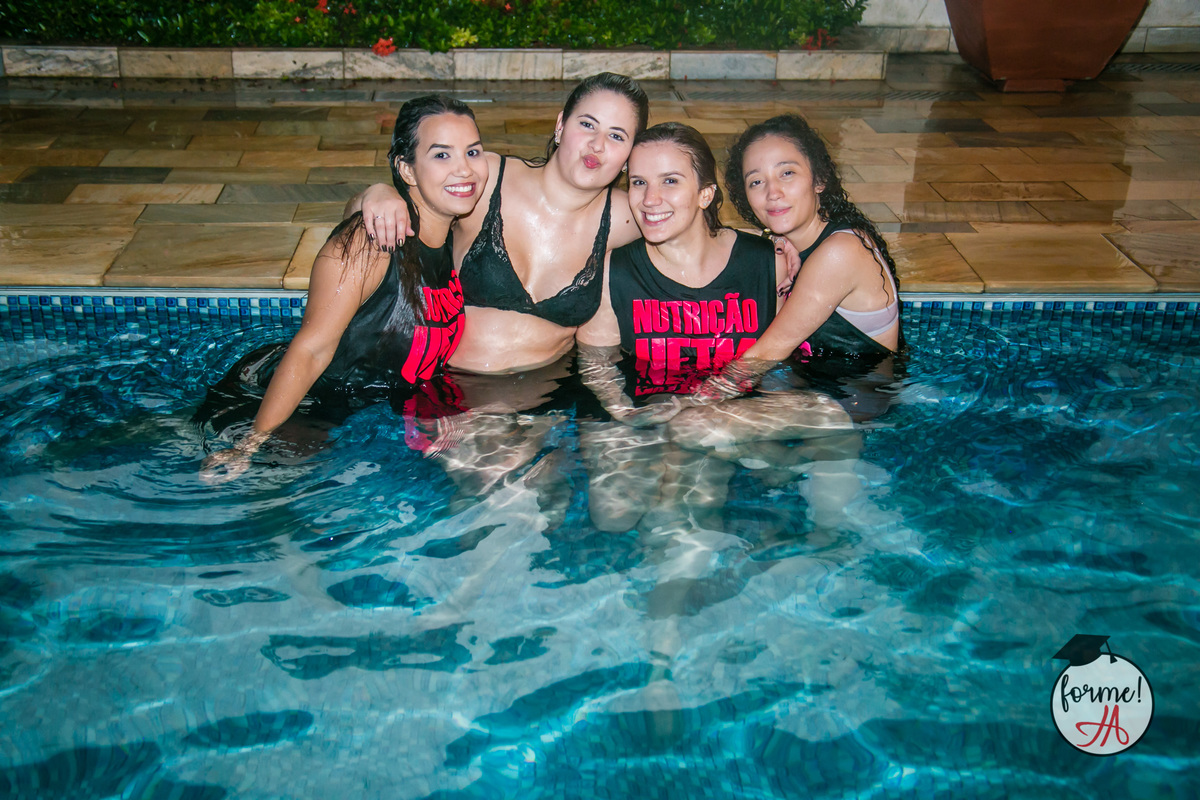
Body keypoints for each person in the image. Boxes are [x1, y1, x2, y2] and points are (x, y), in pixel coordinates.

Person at [199, 95, 487, 483]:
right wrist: (248, 446)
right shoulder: (371, 243)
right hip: (296, 404)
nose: (464, 169)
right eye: (441, 155)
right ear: (407, 169)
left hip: (376, 403)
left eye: (472, 151)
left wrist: (372, 192)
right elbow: (311, 351)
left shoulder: (454, 229)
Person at [350, 72, 649, 376]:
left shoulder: (627, 216)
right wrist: (378, 194)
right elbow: (359, 220)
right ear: (561, 125)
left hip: (548, 395)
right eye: (587, 125)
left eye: (616, 136)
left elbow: (681, 233)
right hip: (447, 388)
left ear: (630, 155)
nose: (597, 145)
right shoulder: (488, 177)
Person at [722, 113, 901, 363]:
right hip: (819, 381)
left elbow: (763, 356)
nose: (772, 192)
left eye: (787, 173)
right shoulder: (801, 241)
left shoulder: (840, 252)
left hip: (857, 386)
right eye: (756, 181)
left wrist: (699, 392)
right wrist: (775, 239)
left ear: (819, 179)